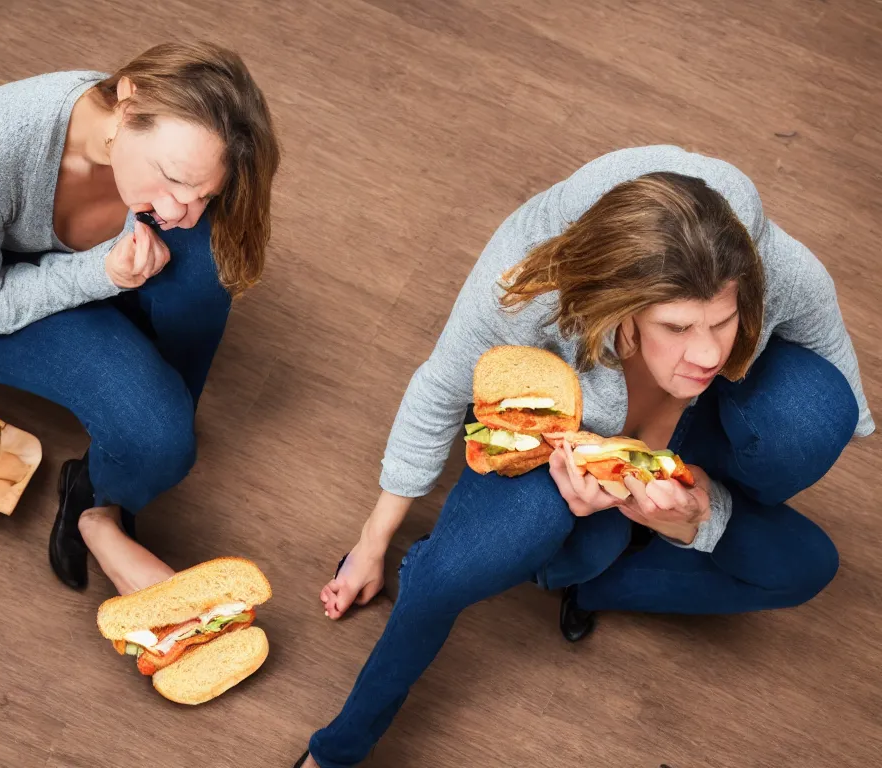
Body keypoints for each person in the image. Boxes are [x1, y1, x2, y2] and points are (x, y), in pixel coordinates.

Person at [294, 145, 874, 767]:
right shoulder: (528, 282)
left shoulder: (780, 271)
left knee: (812, 502)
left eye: (723, 321)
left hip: (688, 446)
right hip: (556, 437)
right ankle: (338, 751)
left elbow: (845, 407)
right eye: (677, 328)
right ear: (624, 311)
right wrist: (374, 541)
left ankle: (603, 569)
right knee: (460, 570)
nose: (707, 355)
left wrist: (699, 514)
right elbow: (440, 386)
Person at [0, 41, 280, 594]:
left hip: (30, 247)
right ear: (127, 101)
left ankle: (112, 479)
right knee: (157, 436)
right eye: (174, 181)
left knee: (205, 270)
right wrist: (102, 274)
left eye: (203, 192)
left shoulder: (162, 141)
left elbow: (191, 210)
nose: (181, 210)